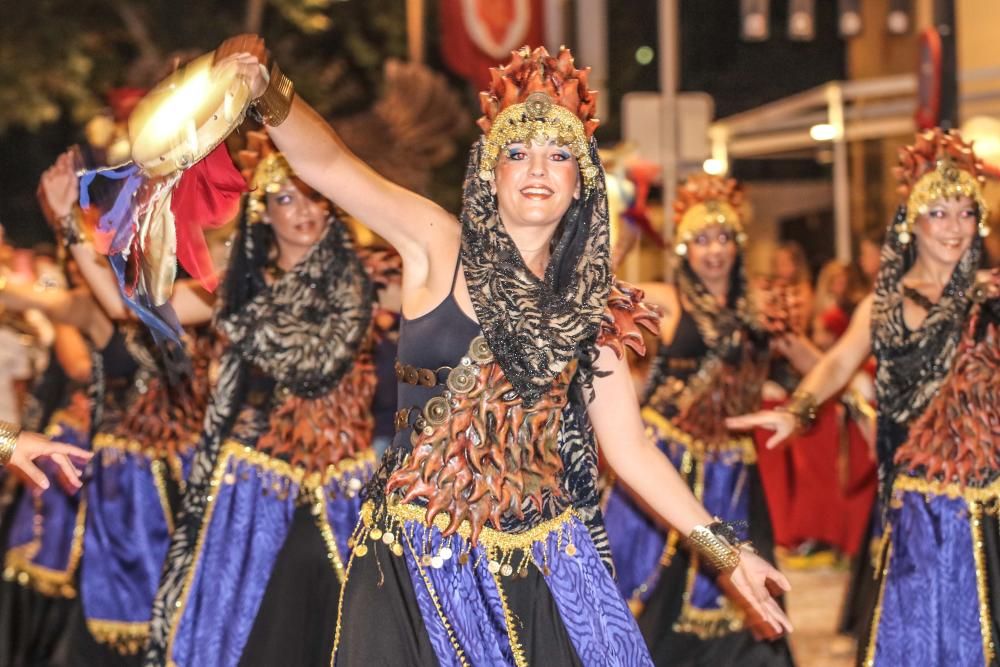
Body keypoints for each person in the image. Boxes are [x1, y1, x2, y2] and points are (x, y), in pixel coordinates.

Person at [150, 36, 796, 667]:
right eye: (518, 150)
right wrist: (270, 91)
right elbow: (331, 167)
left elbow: (629, 449)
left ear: (582, 182)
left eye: (558, 154)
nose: (538, 167)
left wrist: (727, 553)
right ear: (491, 170)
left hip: (547, 555)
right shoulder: (438, 243)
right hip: (421, 558)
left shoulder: (592, 306)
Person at [730, 128, 1000, 666]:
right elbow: (837, 362)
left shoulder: (992, 298)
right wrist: (798, 409)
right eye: (938, 213)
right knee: (912, 629)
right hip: (917, 499)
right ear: (913, 223)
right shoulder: (886, 305)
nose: (953, 227)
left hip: (987, 499)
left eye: (965, 213)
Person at [142, 131, 397, 667]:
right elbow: (140, 304)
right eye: (285, 198)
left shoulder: (370, 276)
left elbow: (456, 282)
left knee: (355, 640)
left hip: (347, 490)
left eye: (312, 195)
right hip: (255, 490)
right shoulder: (233, 293)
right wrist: (137, 214)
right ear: (263, 212)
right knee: (260, 640)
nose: (302, 209)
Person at [602, 173, 795, 666]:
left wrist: (802, 408)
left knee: (747, 581)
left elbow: (822, 363)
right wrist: (619, 241)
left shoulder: (759, 310)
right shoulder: (668, 298)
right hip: (670, 455)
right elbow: (595, 292)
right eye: (701, 239)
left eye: (723, 238)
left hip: (735, 470)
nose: (713, 250)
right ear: (685, 247)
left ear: (738, 245)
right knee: (654, 588)